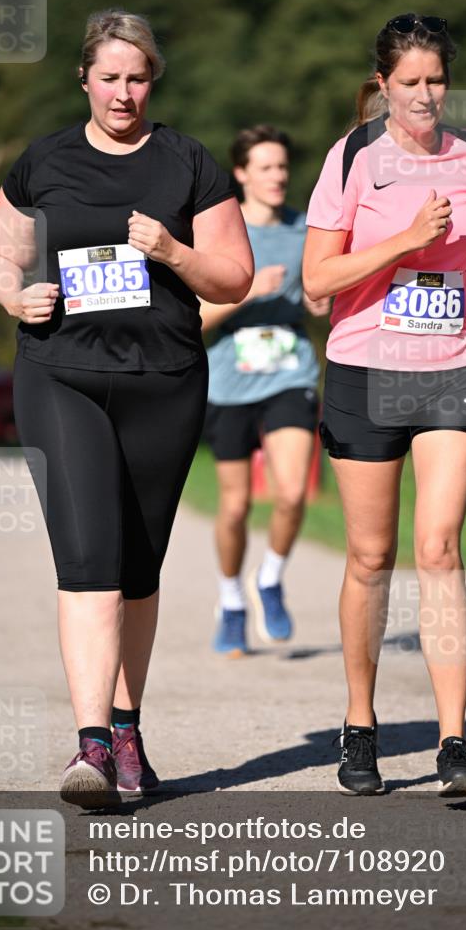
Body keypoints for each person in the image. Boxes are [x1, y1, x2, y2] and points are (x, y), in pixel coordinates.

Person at [0, 9, 253, 807]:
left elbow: (232, 278)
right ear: (84, 80)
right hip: (60, 373)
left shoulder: (188, 165)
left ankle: (127, 728)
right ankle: (90, 748)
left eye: (136, 78)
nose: (122, 93)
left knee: (137, 570)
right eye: (109, 78)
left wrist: (170, 251)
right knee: (90, 559)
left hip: (163, 381)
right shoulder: (45, 161)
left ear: (151, 80)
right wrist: (13, 294)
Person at [303, 12, 466, 797]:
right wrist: (399, 242)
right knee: (369, 557)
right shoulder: (355, 156)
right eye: (411, 82)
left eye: (436, 81)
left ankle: (454, 742)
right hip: (366, 368)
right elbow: (316, 281)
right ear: (383, 84)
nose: (426, 95)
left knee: (438, 548)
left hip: (453, 363)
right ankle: (359, 725)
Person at [200, 125, 329, 656]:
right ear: (241, 174)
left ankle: (270, 577)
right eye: (266, 167)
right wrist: (250, 291)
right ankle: (231, 599)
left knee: (293, 491)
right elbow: (196, 320)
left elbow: (320, 290)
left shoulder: (306, 228)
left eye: (282, 167)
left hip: (290, 373)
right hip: (228, 381)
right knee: (233, 508)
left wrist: (322, 302)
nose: (278, 176)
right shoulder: (218, 232)